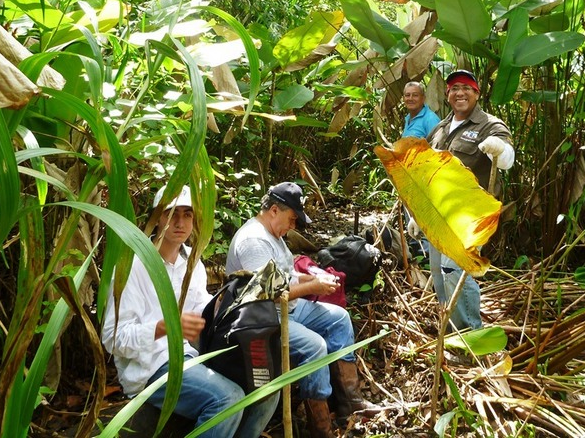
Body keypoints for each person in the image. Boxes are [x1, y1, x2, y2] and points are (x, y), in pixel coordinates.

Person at [101, 185, 279, 438]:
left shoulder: (192, 264)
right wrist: (166, 326)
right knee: (227, 400)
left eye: (187, 214)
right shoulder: (134, 266)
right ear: (157, 218)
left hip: (189, 356)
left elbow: (200, 311)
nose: (180, 222)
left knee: (265, 391)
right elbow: (113, 338)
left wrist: (232, 302)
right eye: (171, 214)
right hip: (150, 367)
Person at [226, 182, 380, 438]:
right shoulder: (254, 241)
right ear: (274, 210)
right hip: (261, 318)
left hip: (288, 308)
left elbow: (285, 276)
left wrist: (313, 277)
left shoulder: (274, 235)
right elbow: (268, 294)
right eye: (292, 219)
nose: (293, 226)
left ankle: (349, 403)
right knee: (315, 346)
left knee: (339, 319)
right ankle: (320, 427)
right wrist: (314, 284)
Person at [422, 69, 515, 330]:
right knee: (439, 274)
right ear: (448, 95)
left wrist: (499, 149)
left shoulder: (490, 125)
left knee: (457, 271)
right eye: (454, 88)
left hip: (470, 216)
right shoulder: (440, 128)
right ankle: (450, 329)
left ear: (476, 93)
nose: (459, 93)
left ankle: (469, 333)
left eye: (466, 88)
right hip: (438, 212)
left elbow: (507, 159)